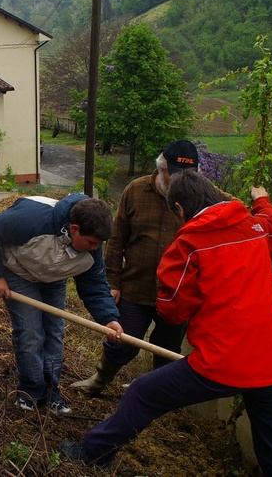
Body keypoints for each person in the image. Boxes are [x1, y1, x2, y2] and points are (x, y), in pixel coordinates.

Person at [63, 170, 272, 476]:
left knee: (143, 393)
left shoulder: (190, 243)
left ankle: (93, 452)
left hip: (224, 361)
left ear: (180, 210)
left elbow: (172, 310)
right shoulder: (255, 226)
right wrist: (262, 199)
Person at [0, 194, 123, 413]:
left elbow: (95, 286)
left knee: (54, 333)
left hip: (53, 277)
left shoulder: (92, 249)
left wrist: (109, 318)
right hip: (19, 272)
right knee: (30, 331)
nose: (94, 248)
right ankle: (30, 391)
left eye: (98, 244)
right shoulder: (31, 220)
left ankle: (51, 392)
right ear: (74, 229)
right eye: (91, 242)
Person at [72, 140, 200, 395]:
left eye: (185, 177)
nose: (177, 183)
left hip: (177, 292)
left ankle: (154, 392)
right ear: (161, 169)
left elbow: (229, 207)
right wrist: (113, 283)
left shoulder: (200, 196)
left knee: (167, 347)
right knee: (122, 340)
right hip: (136, 286)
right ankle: (100, 379)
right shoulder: (136, 190)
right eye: (173, 175)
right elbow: (116, 239)